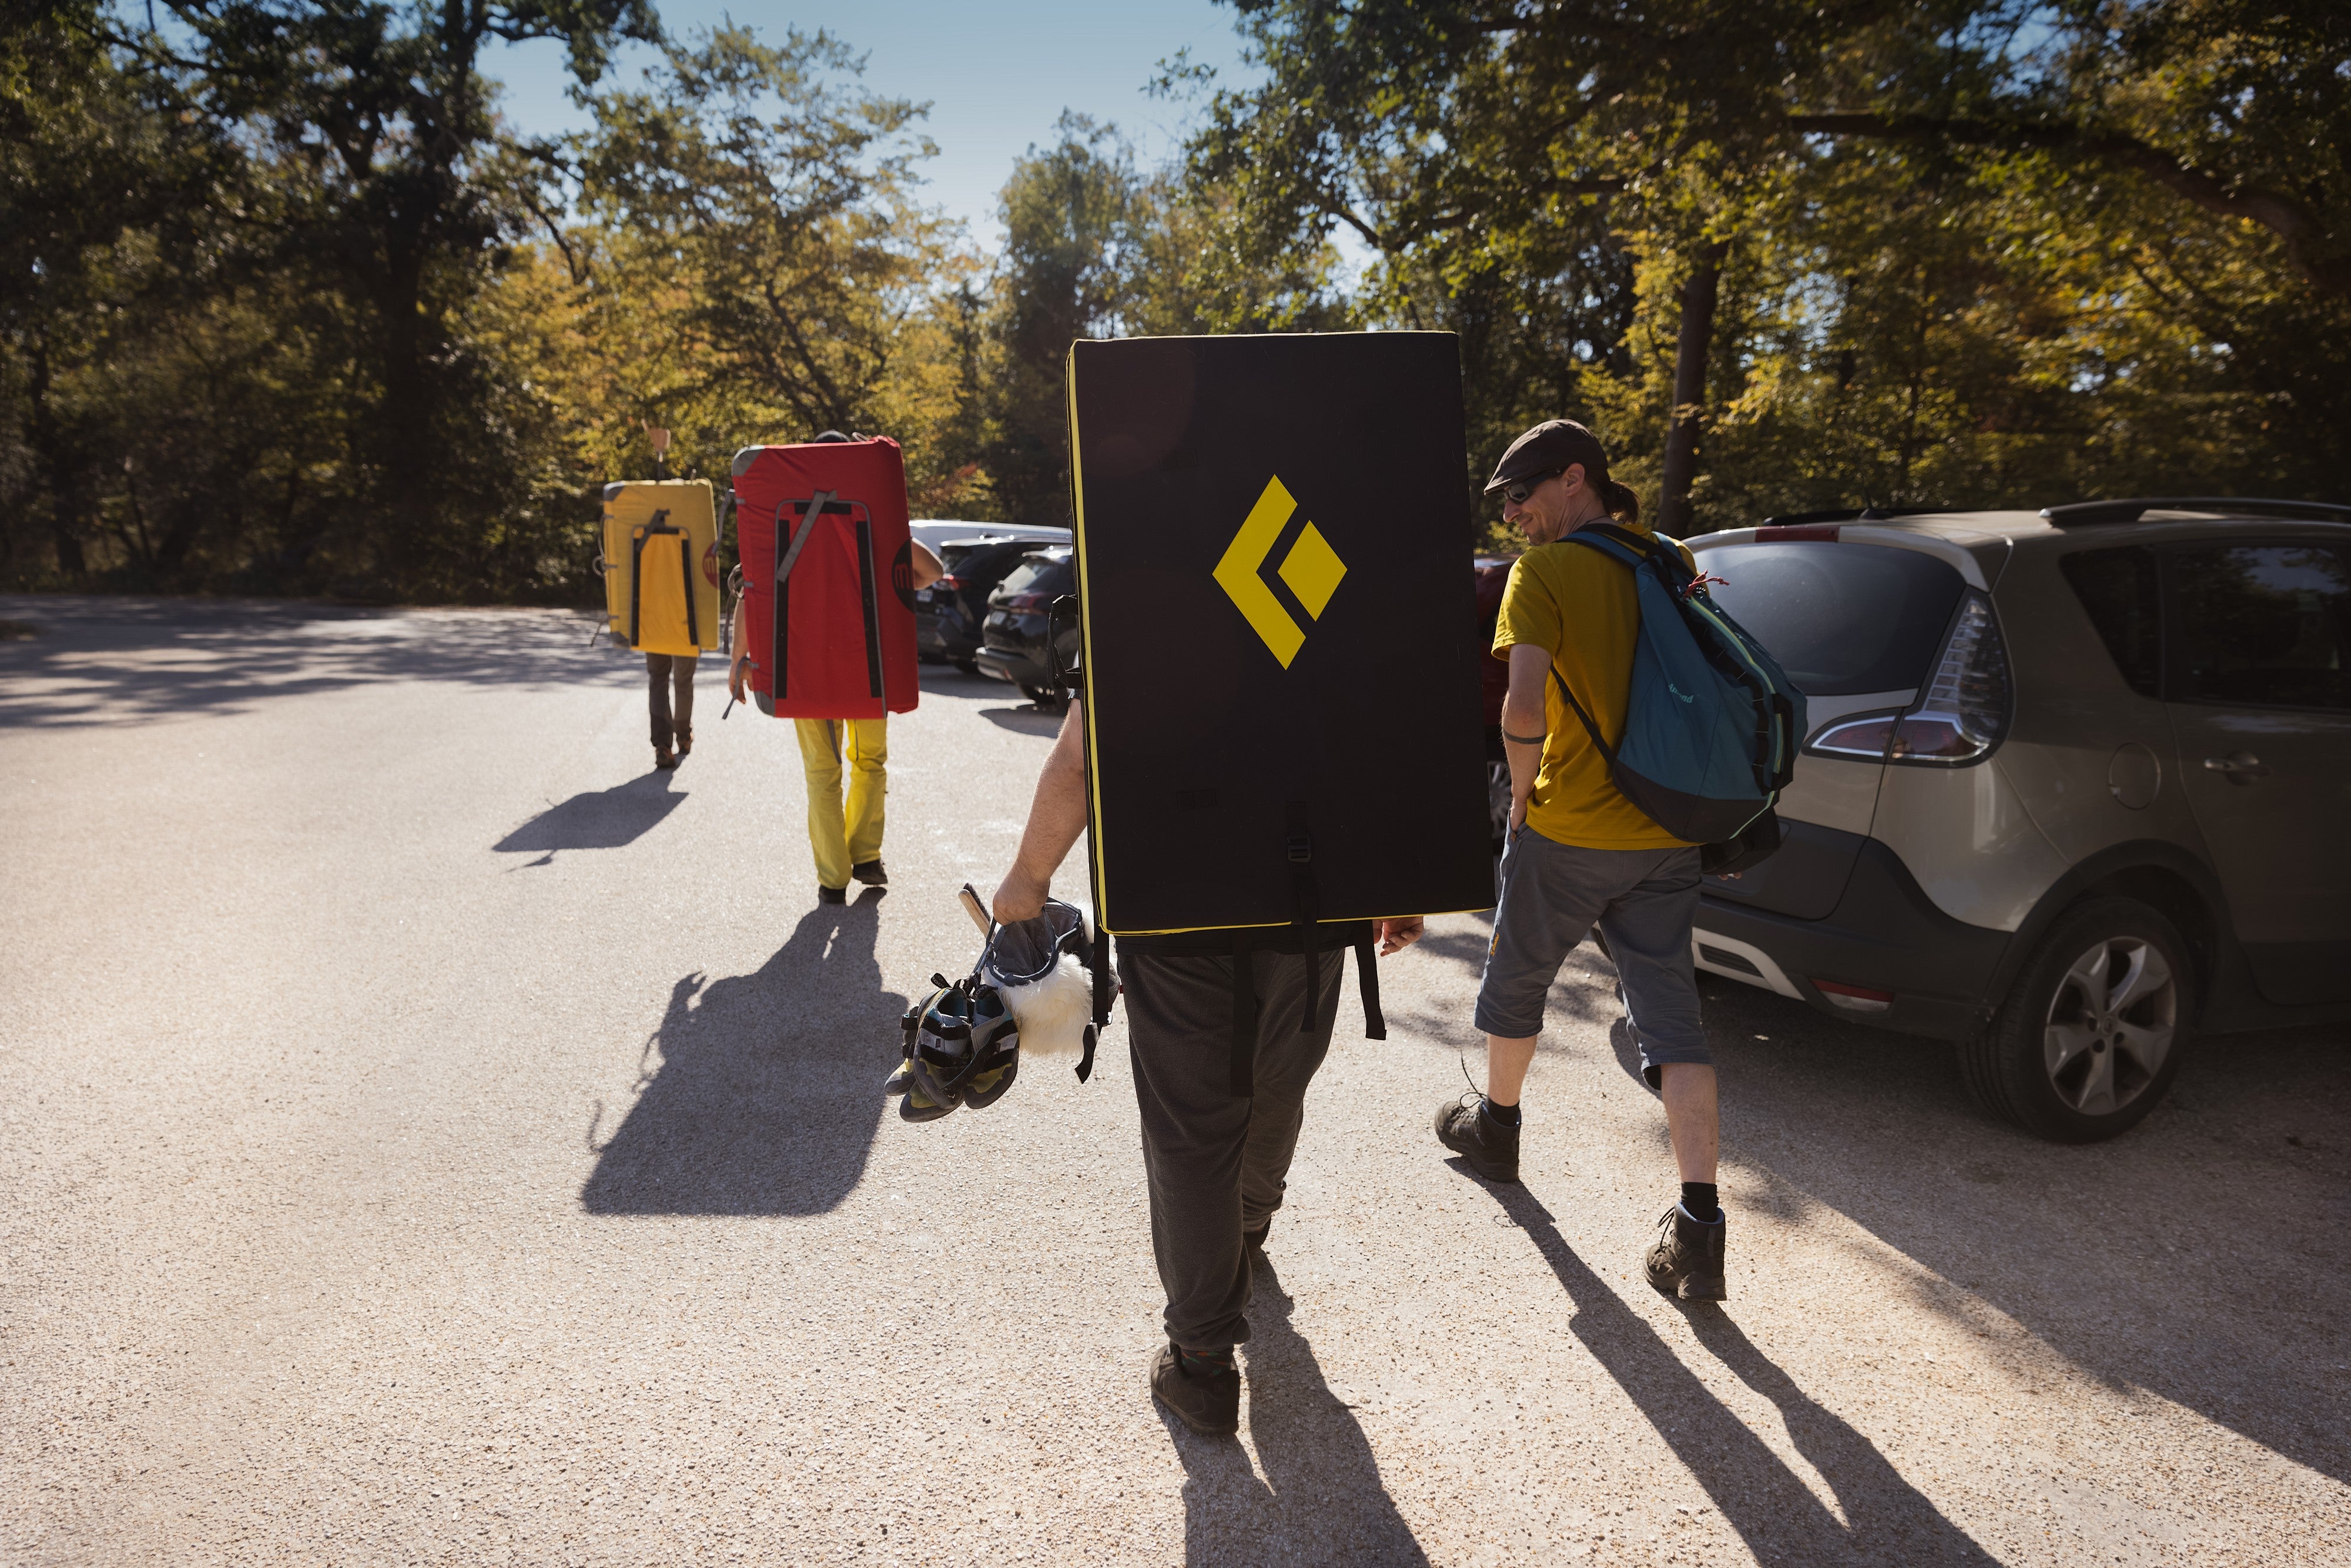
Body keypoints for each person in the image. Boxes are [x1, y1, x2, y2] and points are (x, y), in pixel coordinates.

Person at [990, 705, 1426, 1435]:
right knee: (1280, 1077)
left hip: (1176, 893)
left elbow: (1079, 756)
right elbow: (1385, 725)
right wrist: (1397, 874)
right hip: (1316, 887)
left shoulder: (1137, 589)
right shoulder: (1347, 584)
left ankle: (1202, 1361)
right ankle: (1247, 1228)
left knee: (1191, 1124)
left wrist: (1028, 878)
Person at [1432, 418, 1728, 1302]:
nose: (1514, 515)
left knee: (1517, 978)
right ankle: (1701, 1221)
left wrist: (1520, 794)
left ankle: (1499, 1128)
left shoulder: (1547, 572)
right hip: (1668, 827)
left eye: (1522, 495)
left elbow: (1524, 707)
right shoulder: (1668, 556)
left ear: (1575, 478)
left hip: (1572, 825)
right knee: (1671, 1017)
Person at [725, 431, 945, 906]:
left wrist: (739, 660)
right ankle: (864, 856)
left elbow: (752, 593)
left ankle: (833, 880)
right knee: (870, 763)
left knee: (822, 774)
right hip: (865, 670)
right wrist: (885, 513)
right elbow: (931, 573)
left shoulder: (780, 515)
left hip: (801, 671)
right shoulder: (871, 522)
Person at [647, 651, 695, 770]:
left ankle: (663, 746)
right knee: (684, 680)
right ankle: (684, 737)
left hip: (654, 633)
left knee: (658, 678)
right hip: (686, 633)